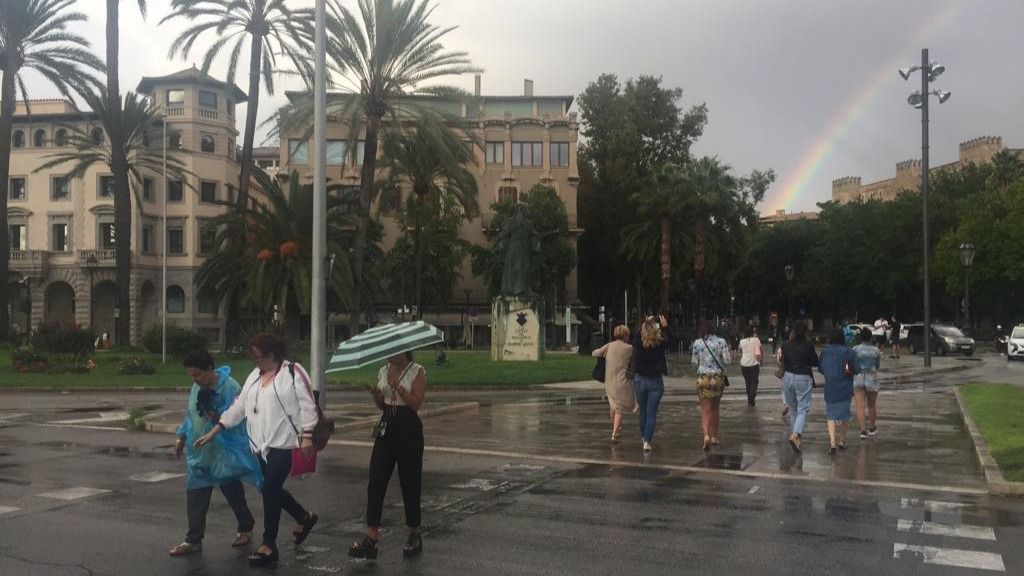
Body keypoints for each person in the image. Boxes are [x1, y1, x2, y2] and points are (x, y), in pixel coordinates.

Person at [194, 334, 320, 568]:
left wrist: (308, 436)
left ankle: (268, 544)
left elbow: (308, 405)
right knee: (271, 489)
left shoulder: (292, 372)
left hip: (285, 443)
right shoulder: (254, 376)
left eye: (258, 356)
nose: (255, 360)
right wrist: (216, 430)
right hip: (260, 446)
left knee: (270, 487)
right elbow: (240, 406)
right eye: (252, 356)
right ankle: (304, 516)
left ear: (272, 354)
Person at [169, 350, 262, 557]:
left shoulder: (230, 388)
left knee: (232, 490)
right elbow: (191, 416)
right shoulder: (196, 387)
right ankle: (193, 540)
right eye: (191, 375)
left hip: (223, 452)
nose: (195, 379)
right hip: (200, 452)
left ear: (209, 369)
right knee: (196, 494)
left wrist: (217, 417)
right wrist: (181, 438)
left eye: (197, 374)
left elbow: (239, 418)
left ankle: (245, 526)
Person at [349, 351, 427, 560]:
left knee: (410, 481)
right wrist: (377, 396)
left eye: (393, 351)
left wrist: (398, 386)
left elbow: (415, 403)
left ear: (403, 350)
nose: (389, 355)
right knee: (376, 479)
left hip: (408, 427)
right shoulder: (384, 370)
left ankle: (414, 531)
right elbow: (383, 404)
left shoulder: (417, 371)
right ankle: (371, 535)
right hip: (387, 425)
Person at [632, 315, 670, 452]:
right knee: (651, 412)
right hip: (655, 380)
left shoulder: (639, 342)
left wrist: (645, 322)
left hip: (640, 379)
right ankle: (647, 441)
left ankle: (644, 437)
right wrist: (665, 327)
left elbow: (635, 337)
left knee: (643, 410)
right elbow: (668, 340)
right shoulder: (660, 343)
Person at [692, 320, 731, 450]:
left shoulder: (697, 343)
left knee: (705, 409)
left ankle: (706, 435)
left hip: (703, 377)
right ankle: (714, 436)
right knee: (715, 407)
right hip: (717, 377)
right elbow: (727, 360)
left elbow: (694, 361)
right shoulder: (721, 342)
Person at [592, 324, 635, 443]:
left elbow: (595, 353)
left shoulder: (609, 346)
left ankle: (616, 428)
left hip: (609, 381)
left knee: (613, 406)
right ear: (626, 335)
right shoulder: (629, 348)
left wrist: (603, 354)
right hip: (622, 381)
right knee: (619, 408)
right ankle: (615, 434)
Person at [780, 322, 818, 453]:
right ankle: (796, 435)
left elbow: (783, 360)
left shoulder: (786, 344)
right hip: (803, 377)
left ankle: (796, 437)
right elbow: (815, 362)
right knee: (803, 408)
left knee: (792, 408)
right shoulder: (808, 345)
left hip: (787, 377)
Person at [818, 329, 855, 456]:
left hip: (830, 386)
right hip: (846, 386)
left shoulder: (825, 352)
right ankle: (842, 441)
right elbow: (857, 368)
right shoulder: (849, 351)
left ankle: (832, 443)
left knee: (831, 414)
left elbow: (821, 368)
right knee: (845, 414)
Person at [852, 328, 882, 440]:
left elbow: (853, 364)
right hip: (871, 378)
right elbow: (877, 366)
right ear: (870, 337)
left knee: (860, 405)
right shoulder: (876, 350)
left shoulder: (855, 349)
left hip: (858, 377)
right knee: (872, 405)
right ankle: (872, 427)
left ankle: (863, 430)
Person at [738, 325, 763, 407]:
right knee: (754, 381)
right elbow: (760, 350)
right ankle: (752, 396)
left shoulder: (741, 341)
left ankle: (749, 399)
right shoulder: (756, 340)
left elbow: (740, 350)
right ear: (752, 332)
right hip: (754, 364)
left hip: (744, 364)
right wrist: (761, 360)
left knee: (747, 382)